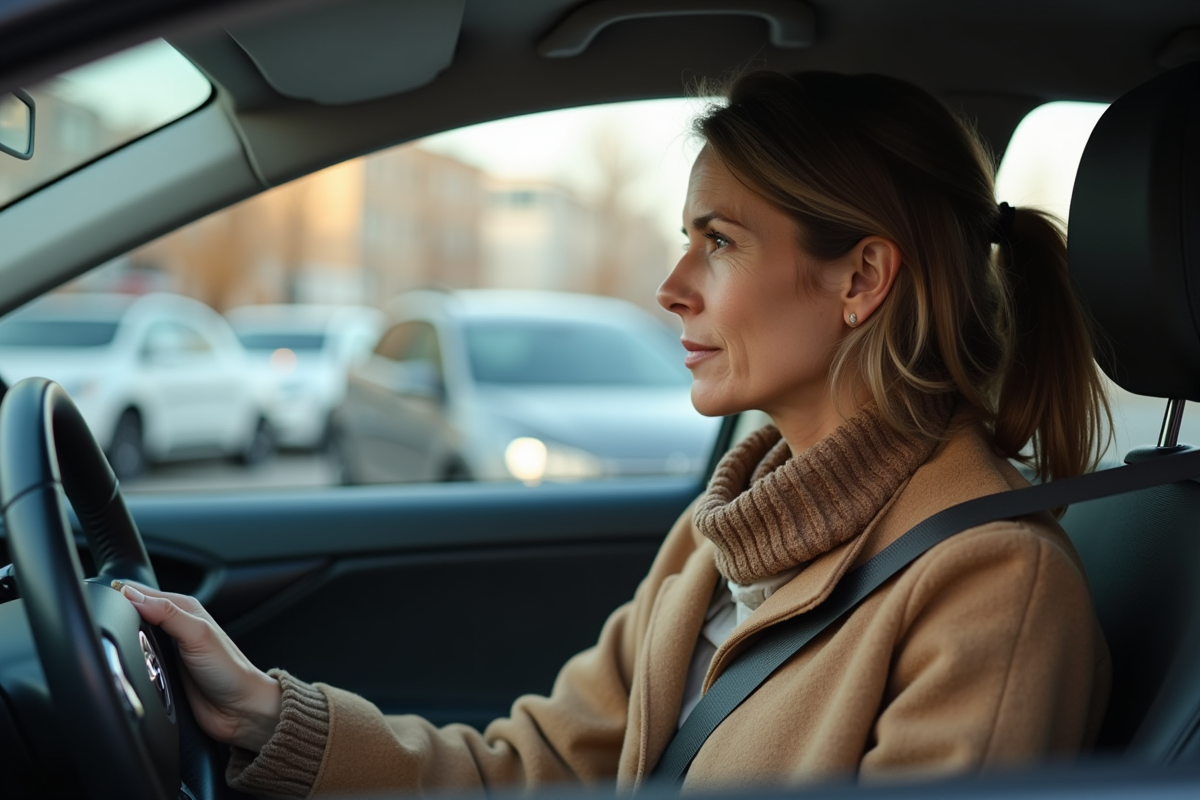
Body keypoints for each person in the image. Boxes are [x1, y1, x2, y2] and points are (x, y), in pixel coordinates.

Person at [116, 70, 1112, 797]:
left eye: (718, 241)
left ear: (859, 279)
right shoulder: (722, 534)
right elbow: (534, 768)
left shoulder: (990, 585)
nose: (672, 288)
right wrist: (265, 714)